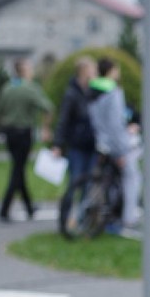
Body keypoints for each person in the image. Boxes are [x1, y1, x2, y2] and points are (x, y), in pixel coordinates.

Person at [0, 59, 54, 222]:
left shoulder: (7, 88)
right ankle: (4, 209)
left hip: (9, 133)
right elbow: (48, 108)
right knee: (17, 170)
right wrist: (46, 128)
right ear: (24, 71)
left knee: (18, 168)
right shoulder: (30, 88)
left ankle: (29, 206)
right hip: (23, 133)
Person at [87, 57, 141, 231]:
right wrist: (121, 150)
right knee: (131, 177)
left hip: (100, 141)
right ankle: (128, 217)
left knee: (104, 181)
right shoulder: (113, 91)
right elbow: (115, 122)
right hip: (116, 144)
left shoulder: (92, 88)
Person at [51, 55, 97, 212]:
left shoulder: (93, 92)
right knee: (74, 180)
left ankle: (81, 218)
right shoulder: (72, 94)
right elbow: (63, 120)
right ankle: (65, 215)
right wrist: (57, 144)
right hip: (77, 146)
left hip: (92, 145)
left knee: (88, 184)